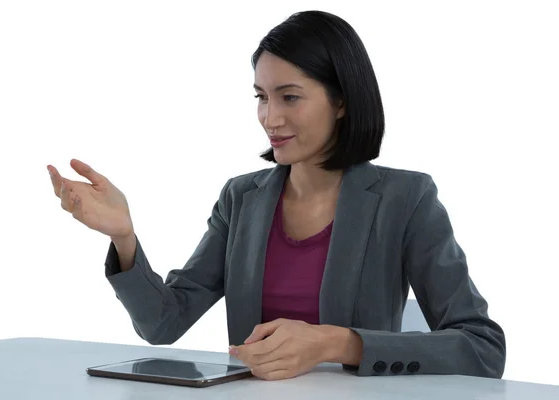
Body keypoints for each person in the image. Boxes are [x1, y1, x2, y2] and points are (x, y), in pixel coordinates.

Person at [47, 10, 506, 381]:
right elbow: (163, 323)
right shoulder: (240, 197)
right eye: (261, 97)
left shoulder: (405, 198)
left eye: (289, 97)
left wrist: (338, 342)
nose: (270, 117)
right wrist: (125, 237)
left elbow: (483, 348)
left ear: (341, 100)